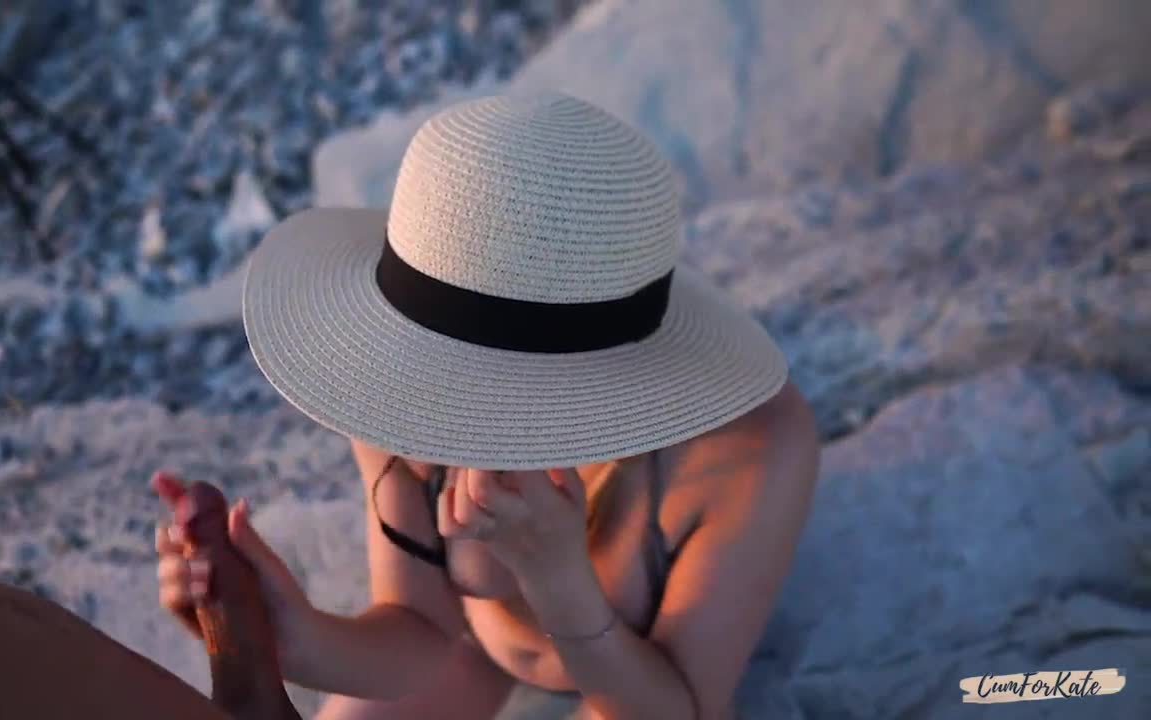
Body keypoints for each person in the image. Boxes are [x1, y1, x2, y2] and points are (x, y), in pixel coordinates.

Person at [155, 91, 821, 720]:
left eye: (489, 382)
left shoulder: (747, 447)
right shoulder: (400, 376)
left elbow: (680, 712)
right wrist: (290, 638)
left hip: (643, 684)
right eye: (461, 374)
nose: (470, 411)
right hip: (474, 648)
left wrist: (557, 577)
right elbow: (421, 629)